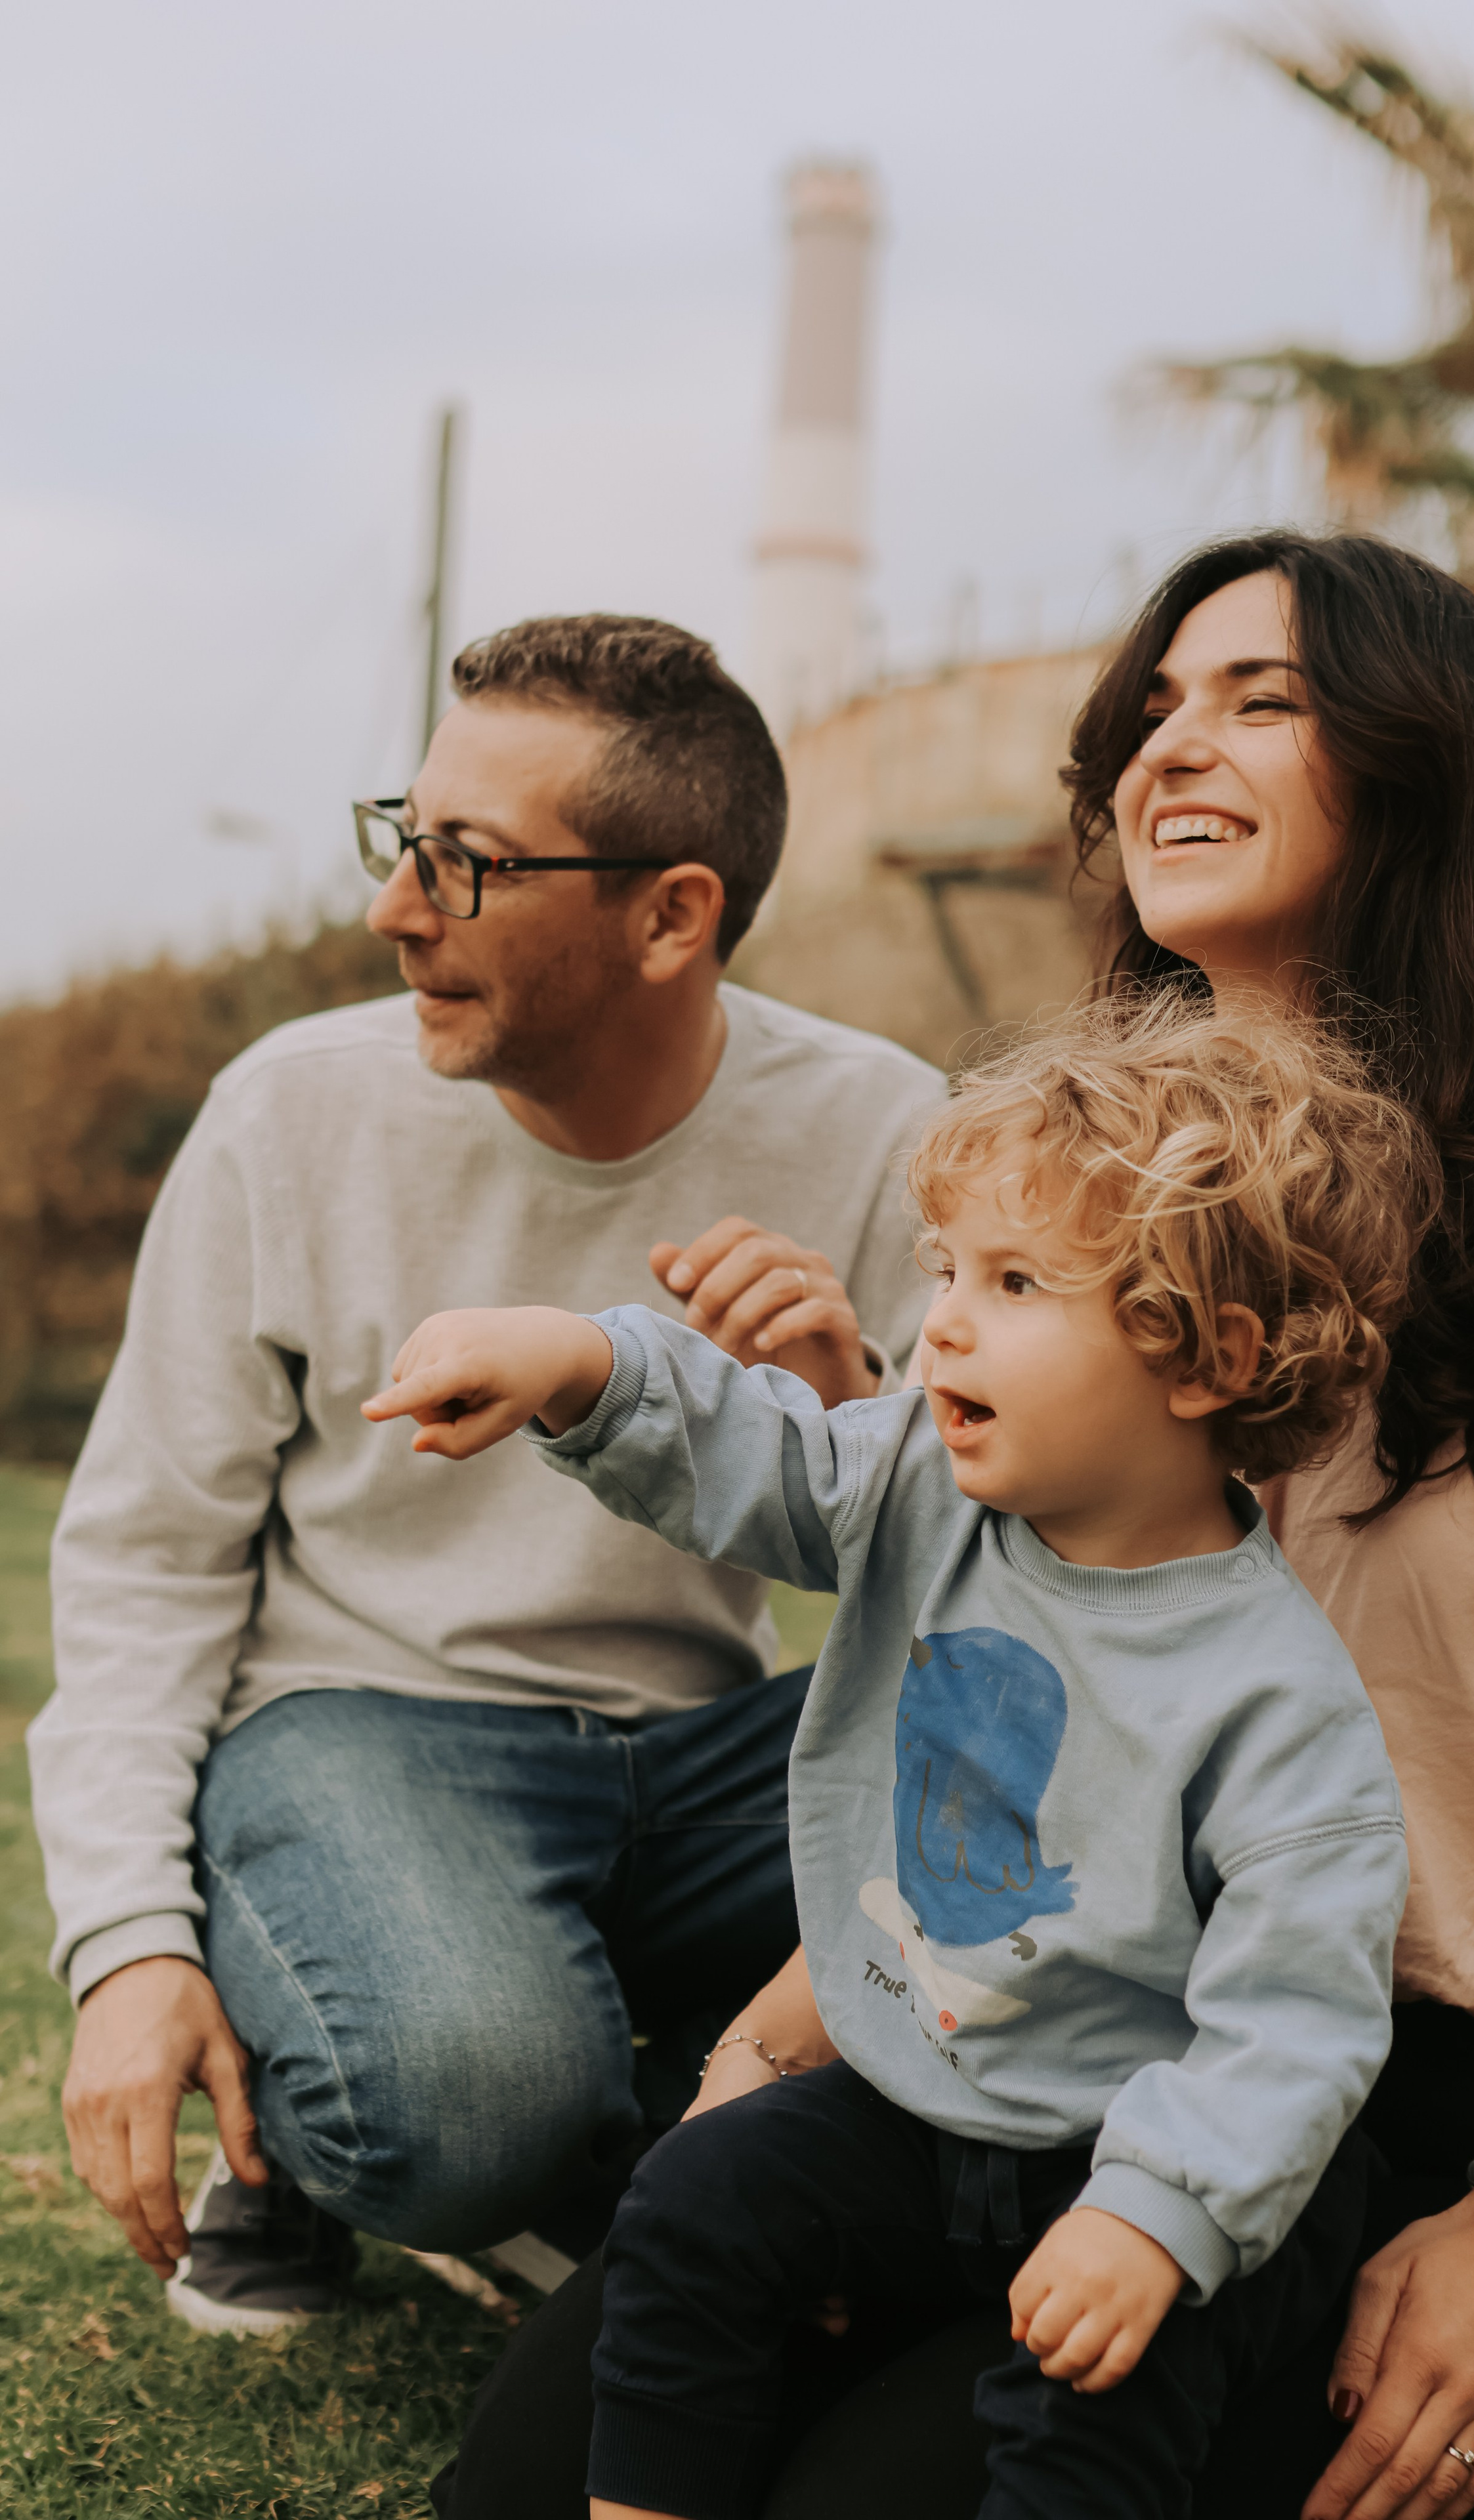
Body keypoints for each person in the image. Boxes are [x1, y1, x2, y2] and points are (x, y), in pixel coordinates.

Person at [439, 537, 1474, 2520]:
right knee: (535, 2479)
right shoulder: (1109, 1200)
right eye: (1153, 711)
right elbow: (1035, 1667)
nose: (1171, 748)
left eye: (1264, 698)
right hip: (1113, 2015)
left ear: (1443, 766)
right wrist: (798, 2025)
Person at [373, 990, 1435, 2520]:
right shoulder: (918, 1486)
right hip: (917, 2102)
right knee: (691, 2203)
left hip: (1131, 2150)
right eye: (946, 1266)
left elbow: (1293, 2023)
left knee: (1090, 2405)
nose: (940, 1317)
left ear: (1206, 1358)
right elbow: (761, 1446)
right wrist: (576, 1362)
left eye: (1014, 1282)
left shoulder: (1280, 1708)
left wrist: (1151, 2216)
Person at [30, 612, 945, 2334]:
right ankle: (343, 2092)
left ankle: (623, 2100)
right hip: (368, 1730)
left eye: (468, 866)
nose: (395, 909)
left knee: (1069, 1768)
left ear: (673, 914)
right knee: (466, 2098)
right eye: (407, 838)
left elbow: (1010, 1554)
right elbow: (151, 1562)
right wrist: (134, 1950)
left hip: (709, 1754)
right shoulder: (289, 1111)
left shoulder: (886, 1128)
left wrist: (849, 1392)